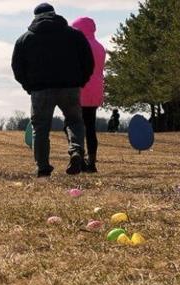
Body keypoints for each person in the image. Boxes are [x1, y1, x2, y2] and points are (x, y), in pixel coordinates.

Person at [11, 3, 94, 177]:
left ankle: (42, 167)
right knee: (75, 122)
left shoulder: (24, 39)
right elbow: (88, 62)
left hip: (40, 90)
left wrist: (30, 87)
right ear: (55, 14)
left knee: (40, 128)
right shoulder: (75, 36)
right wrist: (80, 81)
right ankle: (76, 151)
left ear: (35, 17)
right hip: (70, 87)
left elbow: (17, 68)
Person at [69, 16, 106, 173]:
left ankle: (79, 156)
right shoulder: (100, 47)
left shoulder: (78, 46)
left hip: (80, 89)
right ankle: (92, 162)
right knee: (90, 127)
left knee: (73, 125)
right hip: (96, 90)